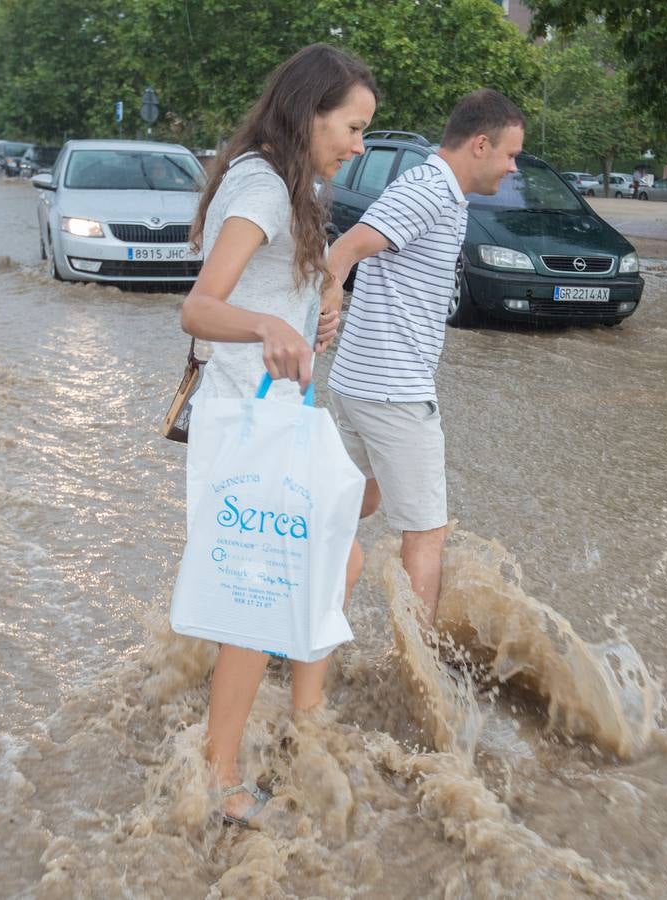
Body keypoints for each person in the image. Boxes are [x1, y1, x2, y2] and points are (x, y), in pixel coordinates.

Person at [179, 43, 377, 828]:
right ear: (310, 111)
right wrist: (268, 324)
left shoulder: (292, 186)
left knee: (341, 558)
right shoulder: (261, 185)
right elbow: (199, 307)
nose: (359, 146)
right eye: (354, 127)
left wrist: (315, 307)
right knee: (256, 595)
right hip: (243, 425)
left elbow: (285, 285)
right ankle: (220, 776)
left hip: (272, 419)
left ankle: (306, 721)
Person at [319, 89, 525, 627]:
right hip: (395, 391)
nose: (511, 167)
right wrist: (329, 295)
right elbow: (343, 250)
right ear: (480, 144)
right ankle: (420, 667)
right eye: (510, 154)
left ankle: (297, 618)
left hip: (359, 382)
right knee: (427, 531)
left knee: (347, 507)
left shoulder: (431, 188)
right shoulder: (432, 189)